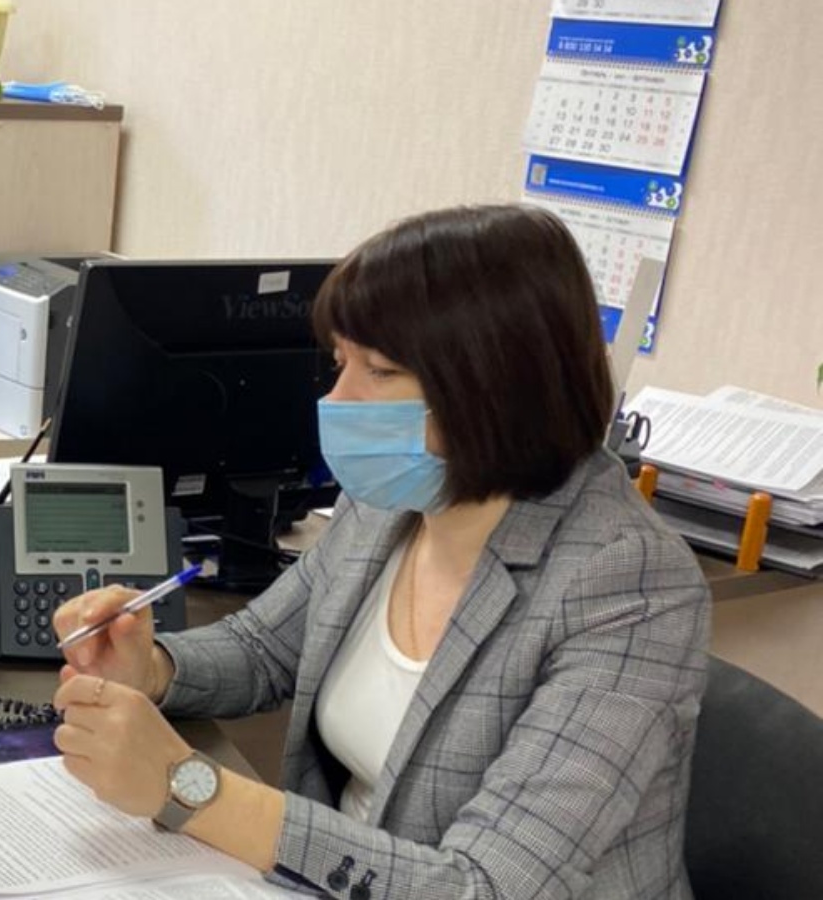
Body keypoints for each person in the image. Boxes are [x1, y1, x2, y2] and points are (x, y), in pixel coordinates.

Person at [52, 204, 710, 899]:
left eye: (382, 370)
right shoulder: (395, 494)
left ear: (497, 385)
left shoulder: (631, 585)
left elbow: (486, 888)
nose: (338, 400)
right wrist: (152, 666)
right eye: (341, 363)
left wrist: (187, 786)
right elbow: (265, 648)